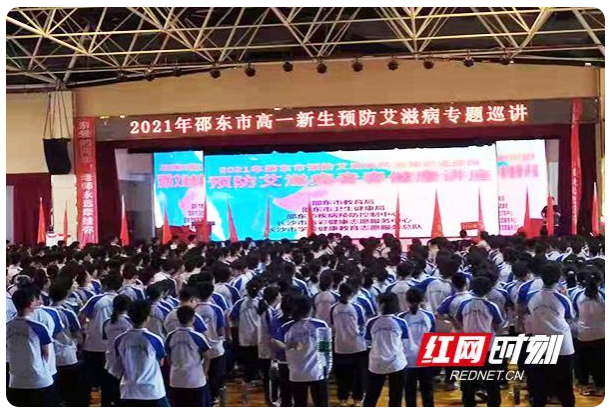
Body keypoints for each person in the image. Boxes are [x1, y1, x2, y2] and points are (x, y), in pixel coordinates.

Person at [524, 262, 576, 406]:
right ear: (559, 278)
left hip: (540, 341)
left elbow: (529, 313)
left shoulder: (530, 296)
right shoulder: (563, 298)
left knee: (539, 384)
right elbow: (570, 317)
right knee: (565, 384)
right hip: (562, 344)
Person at [272, 295, 330, 407]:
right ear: (311, 308)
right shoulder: (320, 324)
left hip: (296, 373)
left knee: (299, 404)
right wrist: (327, 367)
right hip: (317, 372)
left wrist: (286, 346)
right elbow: (325, 349)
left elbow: (274, 341)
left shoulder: (286, 327)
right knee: (321, 404)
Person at [455, 276, 504, 407]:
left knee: (468, 381)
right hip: (487, 348)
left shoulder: (464, 304)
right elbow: (499, 326)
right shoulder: (491, 306)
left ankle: (469, 405)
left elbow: (458, 322)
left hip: (469, 346)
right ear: (488, 290)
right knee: (491, 381)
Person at [112, 300, 169, 407]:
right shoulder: (155, 339)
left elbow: (118, 365)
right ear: (147, 318)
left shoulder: (119, 339)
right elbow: (161, 362)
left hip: (128, 391)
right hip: (152, 390)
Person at [6, 288, 58, 407]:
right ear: (31, 303)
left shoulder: (7, 326)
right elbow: (46, 353)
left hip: (16, 380)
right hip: (39, 380)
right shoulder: (39, 327)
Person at [79, 271, 122, 404]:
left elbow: (81, 317)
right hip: (114, 347)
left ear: (105, 285)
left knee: (90, 379)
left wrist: (86, 328)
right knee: (111, 382)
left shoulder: (96, 299)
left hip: (93, 345)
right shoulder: (123, 300)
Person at [363, 292, 408, 407]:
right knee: (396, 397)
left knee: (371, 396)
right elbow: (404, 342)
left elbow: (368, 342)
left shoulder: (371, 322)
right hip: (397, 363)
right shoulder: (401, 322)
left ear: (382, 305)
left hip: (376, 363)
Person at [49, 283, 88, 407]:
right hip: (67, 356)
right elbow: (78, 334)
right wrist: (80, 347)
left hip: (50, 357)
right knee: (71, 392)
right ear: (66, 295)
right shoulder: (68, 313)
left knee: (56, 393)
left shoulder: (43, 311)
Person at [165, 306, 212, 407]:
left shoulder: (170, 336)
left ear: (178, 318)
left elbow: (168, 356)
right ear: (193, 319)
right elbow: (208, 356)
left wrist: (175, 366)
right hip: (195, 380)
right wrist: (205, 372)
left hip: (176, 380)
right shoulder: (198, 336)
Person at [329, 283, 367, 407]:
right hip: (357, 346)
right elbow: (362, 326)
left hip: (340, 346)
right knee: (358, 375)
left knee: (342, 376)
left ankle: (343, 399)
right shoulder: (357, 308)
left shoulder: (333, 308)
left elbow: (332, 326)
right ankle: (357, 399)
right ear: (352, 294)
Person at [399, 288, 435, 407]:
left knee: (410, 392)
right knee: (427, 391)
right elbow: (433, 338)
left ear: (407, 300)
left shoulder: (401, 317)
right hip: (425, 358)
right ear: (422, 300)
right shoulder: (429, 316)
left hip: (408, 359)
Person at [573, 266, 605, 396]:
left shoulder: (577, 295)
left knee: (583, 362)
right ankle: (601, 387)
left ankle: (583, 385)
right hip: (601, 334)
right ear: (600, 280)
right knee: (600, 362)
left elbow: (574, 314)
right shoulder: (604, 295)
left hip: (583, 334)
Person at [194, 282, 227, 405]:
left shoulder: (193, 309)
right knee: (215, 376)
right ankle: (213, 398)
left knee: (202, 376)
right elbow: (220, 329)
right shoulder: (216, 309)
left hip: (198, 348)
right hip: (215, 348)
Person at [229, 278, 263, 397]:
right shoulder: (261, 303)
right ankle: (255, 378)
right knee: (256, 359)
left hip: (244, 336)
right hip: (258, 336)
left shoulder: (240, 303)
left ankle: (248, 381)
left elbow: (232, 316)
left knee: (248, 360)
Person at [103, 294, 133, 407]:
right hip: (125, 363)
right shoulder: (131, 322)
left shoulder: (107, 322)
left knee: (108, 393)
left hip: (110, 360)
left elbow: (106, 339)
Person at [257, 285, 281, 406]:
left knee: (269, 376)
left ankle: (271, 399)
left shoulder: (267, 309)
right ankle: (271, 400)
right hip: (268, 348)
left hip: (265, 347)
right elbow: (272, 331)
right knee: (270, 377)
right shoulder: (268, 311)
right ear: (276, 297)